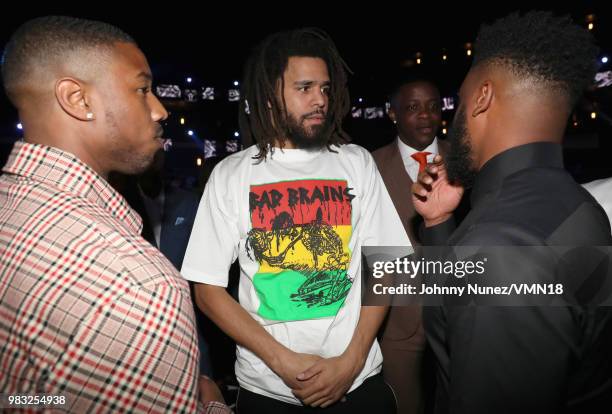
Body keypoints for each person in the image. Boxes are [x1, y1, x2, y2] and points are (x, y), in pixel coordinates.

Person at [0, 16, 228, 413]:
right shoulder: (135, 284)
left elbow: (26, 397)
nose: (159, 110)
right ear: (78, 100)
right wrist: (211, 406)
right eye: (142, 89)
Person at [181, 28, 407, 413]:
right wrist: (283, 363)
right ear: (270, 97)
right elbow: (207, 289)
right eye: (305, 88)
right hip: (268, 388)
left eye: (324, 88)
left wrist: (352, 361)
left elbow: (386, 264)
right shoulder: (231, 174)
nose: (320, 99)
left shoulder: (356, 162)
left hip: (358, 381)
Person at [411, 11, 612, 413]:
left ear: (483, 97)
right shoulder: (579, 204)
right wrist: (437, 223)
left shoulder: (499, 247)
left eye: (461, 100)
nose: (453, 118)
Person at [372, 75, 445, 414]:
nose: (426, 116)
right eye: (413, 108)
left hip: (459, 308)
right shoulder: (369, 166)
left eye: (433, 107)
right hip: (395, 315)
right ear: (393, 114)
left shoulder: (469, 160)